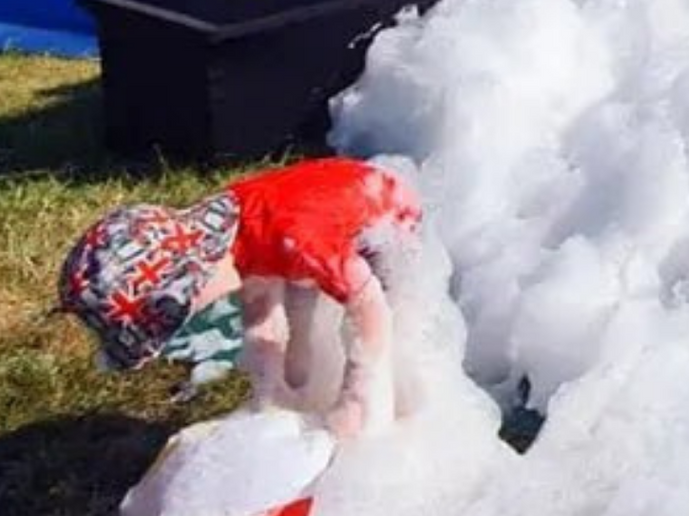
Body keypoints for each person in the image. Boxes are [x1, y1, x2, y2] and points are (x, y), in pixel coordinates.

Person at [57, 159, 420, 442]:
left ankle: (383, 414)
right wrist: (270, 388)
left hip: (387, 216)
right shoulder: (228, 227)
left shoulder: (296, 240)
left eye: (176, 314)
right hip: (313, 212)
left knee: (364, 323)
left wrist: (357, 397)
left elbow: (369, 305)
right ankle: (295, 387)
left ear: (194, 276)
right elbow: (260, 308)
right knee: (285, 309)